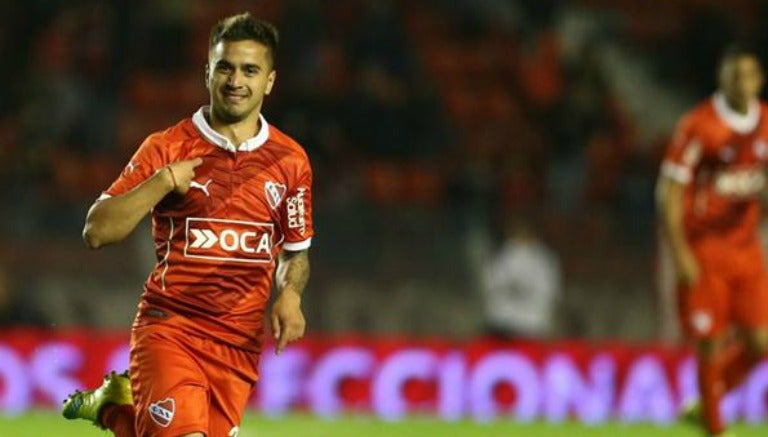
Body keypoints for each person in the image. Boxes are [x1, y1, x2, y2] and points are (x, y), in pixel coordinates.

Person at [62, 13, 313, 437]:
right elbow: (97, 231)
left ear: (269, 80)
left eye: (250, 70)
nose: (236, 80)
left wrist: (289, 293)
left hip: (238, 347)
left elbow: (295, 250)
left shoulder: (291, 161)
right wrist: (161, 183)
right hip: (171, 328)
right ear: (208, 72)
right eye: (225, 67)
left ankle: (116, 408)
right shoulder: (168, 147)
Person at [657, 45, 768, 437]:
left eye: (749, 75)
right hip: (706, 249)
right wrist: (680, 251)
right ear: (722, 78)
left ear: (760, 80)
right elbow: (669, 189)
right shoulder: (699, 125)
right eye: (733, 75)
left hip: (746, 249)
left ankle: (709, 399)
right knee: (711, 342)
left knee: (762, 341)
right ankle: (715, 428)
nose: (741, 83)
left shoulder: (767, 123)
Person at [480, 219, 561, 339]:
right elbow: (490, 282)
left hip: (532, 324)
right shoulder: (502, 255)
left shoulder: (544, 259)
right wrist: (508, 287)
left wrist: (524, 290)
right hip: (502, 323)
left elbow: (550, 290)